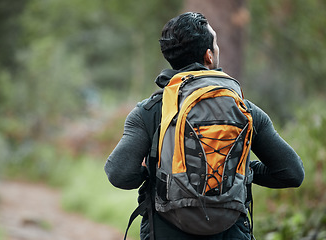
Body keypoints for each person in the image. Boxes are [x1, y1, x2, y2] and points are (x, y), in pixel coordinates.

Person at [104, 12, 305, 240]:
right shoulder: (245, 109)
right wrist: (240, 172)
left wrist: (158, 174)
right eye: (216, 44)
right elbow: (292, 173)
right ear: (208, 56)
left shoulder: (149, 112)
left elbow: (119, 174)